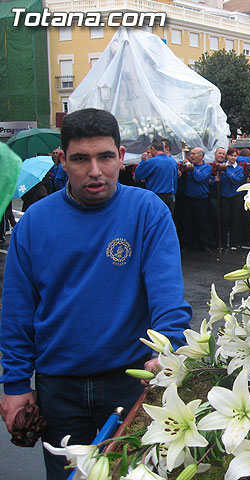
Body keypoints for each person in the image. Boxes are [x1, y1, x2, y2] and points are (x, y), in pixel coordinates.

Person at [0, 108, 192, 480]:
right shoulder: (35, 222)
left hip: (131, 383)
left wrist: (166, 349)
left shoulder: (147, 211)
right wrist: (15, 384)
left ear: (121, 157)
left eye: (105, 157)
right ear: (62, 160)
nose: (94, 170)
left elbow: (168, 295)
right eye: (80, 159)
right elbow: (17, 313)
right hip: (58, 391)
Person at [133, 139, 178, 214]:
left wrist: (143, 161)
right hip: (169, 197)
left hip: (155, 196)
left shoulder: (152, 162)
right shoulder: (172, 161)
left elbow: (137, 176)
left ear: (153, 149)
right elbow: (175, 180)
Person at [183, 147, 213, 251]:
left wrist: (192, 169)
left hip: (201, 199)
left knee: (202, 223)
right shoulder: (187, 166)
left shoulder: (207, 167)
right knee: (188, 222)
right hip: (188, 198)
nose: (192, 156)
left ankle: (204, 244)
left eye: (194, 154)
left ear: (201, 156)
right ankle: (188, 244)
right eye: (191, 154)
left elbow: (200, 178)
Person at [219, 147, 246, 250]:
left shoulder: (239, 168)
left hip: (235, 196)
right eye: (231, 155)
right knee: (225, 220)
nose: (233, 158)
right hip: (225, 196)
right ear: (227, 156)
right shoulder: (223, 167)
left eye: (235, 156)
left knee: (235, 219)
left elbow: (237, 180)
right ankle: (224, 243)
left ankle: (234, 242)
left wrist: (226, 172)